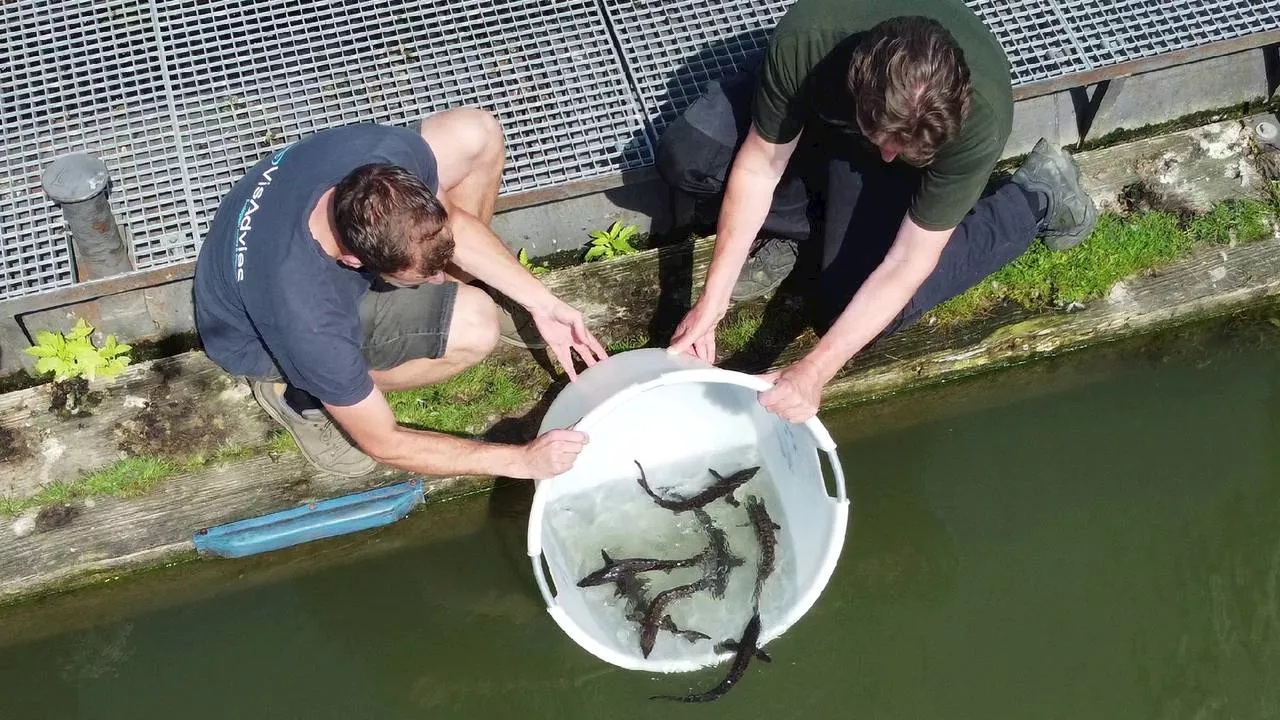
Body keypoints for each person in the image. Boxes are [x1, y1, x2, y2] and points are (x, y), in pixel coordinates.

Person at [658, 0, 1098, 423]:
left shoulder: (978, 122)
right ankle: (815, 230)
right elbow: (758, 168)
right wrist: (711, 302)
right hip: (824, 114)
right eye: (885, 140)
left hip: (876, 159)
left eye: (904, 150)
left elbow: (909, 261)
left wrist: (815, 370)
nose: (889, 154)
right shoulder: (809, 41)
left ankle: (1033, 198)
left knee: (850, 311)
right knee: (693, 156)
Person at [193, 109, 607, 479]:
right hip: (258, 341)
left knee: (474, 133)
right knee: (476, 328)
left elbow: (446, 223)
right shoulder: (310, 318)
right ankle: (304, 394)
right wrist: (520, 461)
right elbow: (385, 443)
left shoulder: (381, 158)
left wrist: (542, 301)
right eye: (420, 281)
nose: (436, 281)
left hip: (282, 247)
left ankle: (448, 291)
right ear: (354, 261)